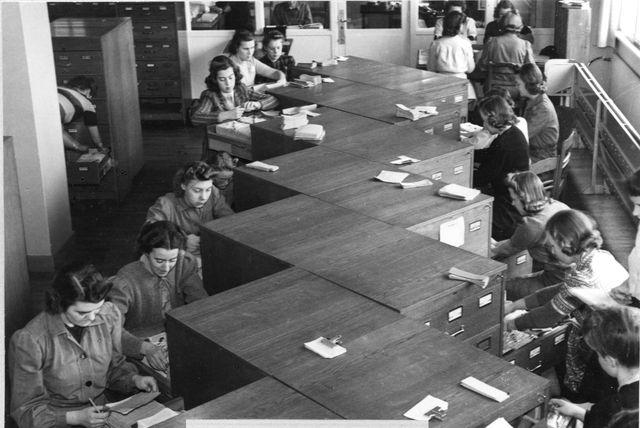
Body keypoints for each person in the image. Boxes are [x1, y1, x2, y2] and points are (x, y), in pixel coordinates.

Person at [9, 263, 157, 428]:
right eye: (82, 313)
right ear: (58, 303)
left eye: (97, 309)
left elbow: (114, 368)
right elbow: (25, 411)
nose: (92, 318)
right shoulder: (30, 340)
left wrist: (134, 379)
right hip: (54, 419)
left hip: (101, 412)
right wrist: (74, 418)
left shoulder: (108, 315)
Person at [504, 210, 629, 401]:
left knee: (590, 389)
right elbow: (561, 289)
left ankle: (573, 400)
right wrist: (516, 305)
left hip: (614, 341)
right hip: (623, 329)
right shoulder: (599, 256)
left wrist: (510, 324)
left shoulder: (584, 276)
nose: (551, 251)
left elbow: (547, 316)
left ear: (566, 244)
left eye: (552, 246)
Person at [109, 221, 208, 371]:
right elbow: (111, 330)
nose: (166, 268)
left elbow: (201, 303)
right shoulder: (125, 281)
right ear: (146, 253)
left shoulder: (184, 264)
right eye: (159, 260)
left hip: (177, 335)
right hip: (138, 344)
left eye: (172, 260)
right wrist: (145, 348)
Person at [548, 307, 639, 428]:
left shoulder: (616, 409)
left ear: (610, 361)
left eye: (598, 354)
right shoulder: (624, 403)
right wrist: (577, 411)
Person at [492, 171, 570, 299]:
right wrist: (498, 245)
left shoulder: (531, 224)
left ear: (525, 199)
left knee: (498, 289)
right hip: (570, 275)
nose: (513, 204)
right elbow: (515, 243)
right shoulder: (558, 205)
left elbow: (506, 249)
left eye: (514, 199)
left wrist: (489, 248)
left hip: (556, 283)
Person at [146, 161, 234, 262]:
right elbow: (149, 233)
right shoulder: (165, 204)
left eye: (208, 189)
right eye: (197, 190)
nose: (203, 197)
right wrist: (182, 241)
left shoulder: (213, 193)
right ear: (183, 185)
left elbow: (231, 220)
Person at [473, 95, 530, 240]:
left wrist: (458, 179)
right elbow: (489, 154)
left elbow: (483, 177)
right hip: (512, 196)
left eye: (485, 121)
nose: (484, 125)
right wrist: (466, 154)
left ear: (494, 119)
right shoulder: (511, 132)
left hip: (508, 206)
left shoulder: (505, 144)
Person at [191, 55, 279, 126]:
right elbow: (196, 118)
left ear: (235, 75)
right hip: (221, 136)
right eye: (222, 79)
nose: (228, 83)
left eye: (230, 77)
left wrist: (257, 104)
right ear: (215, 80)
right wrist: (226, 115)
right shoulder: (210, 95)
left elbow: (273, 100)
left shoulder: (241, 89)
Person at [478, 11, 535, 99]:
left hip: (493, 88)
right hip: (518, 90)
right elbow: (531, 69)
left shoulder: (491, 41)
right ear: (520, 28)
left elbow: (482, 66)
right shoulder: (525, 45)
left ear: (501, 26)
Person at [516, 63, 559, 162]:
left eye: (518, 84)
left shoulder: (542, 108)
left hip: (541, 158)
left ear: (528, 85)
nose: (516, 87)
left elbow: (522, 136)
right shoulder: (534, 100)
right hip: (533, 152)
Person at [427, 11, 476, 100]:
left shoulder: (436, 44)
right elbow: (470, 69)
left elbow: (431, 68)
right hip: (460, 82)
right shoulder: (465, 43)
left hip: (441, 83)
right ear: (460, 26)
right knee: (469, 101)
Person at [58, 76, 105, 153]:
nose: (90, 97)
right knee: (80, 148)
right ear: (87, 91)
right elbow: (96, 138)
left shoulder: (59, 88)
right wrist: (101, 147)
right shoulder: (88, 105)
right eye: (91, 95)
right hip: (55, 116)